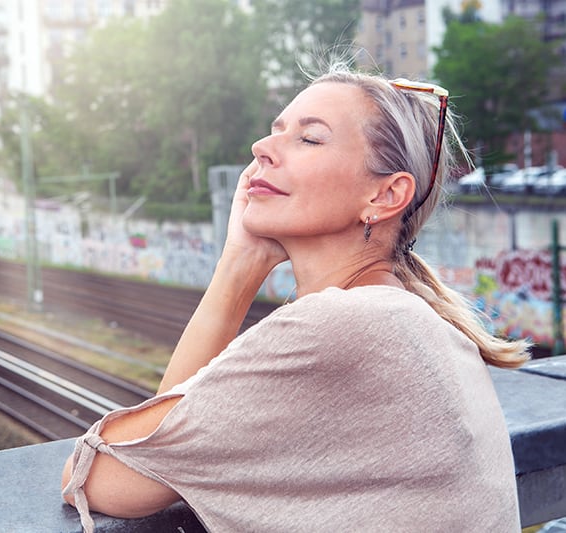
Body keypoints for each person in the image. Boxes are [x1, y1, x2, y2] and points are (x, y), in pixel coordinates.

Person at [61, 62, 530, 532]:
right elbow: (170, 451)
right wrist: (245, 259)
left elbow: (107, 475)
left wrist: (236, 270)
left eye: (309, 138)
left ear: (385, 196)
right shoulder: (404, 312)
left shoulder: (341, 324)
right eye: (275, 131)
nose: (261, 150)